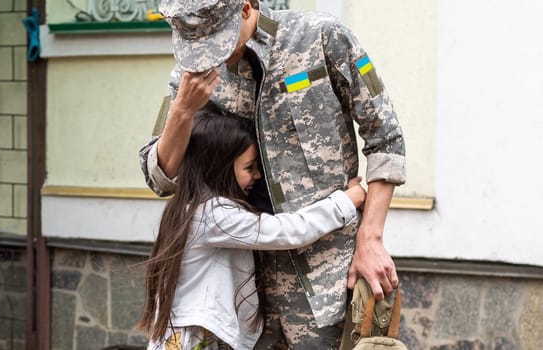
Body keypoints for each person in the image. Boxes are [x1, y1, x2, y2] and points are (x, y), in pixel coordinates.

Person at [139, 0, 406, 348]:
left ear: (247, 7)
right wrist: (183, 111)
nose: (210, 56)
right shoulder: (192, 74)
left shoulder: (323, 37)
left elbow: (386, 138)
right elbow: (161, 177)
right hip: (243, 294)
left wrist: (370, 240)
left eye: (219, 40)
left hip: (327, 282)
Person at [137, 110, 367, 350]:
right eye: (249, 167)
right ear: (220, 168)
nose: (257, 175)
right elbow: (286, 231)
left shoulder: (188, 208)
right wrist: (346, 202)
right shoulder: (213, 216)